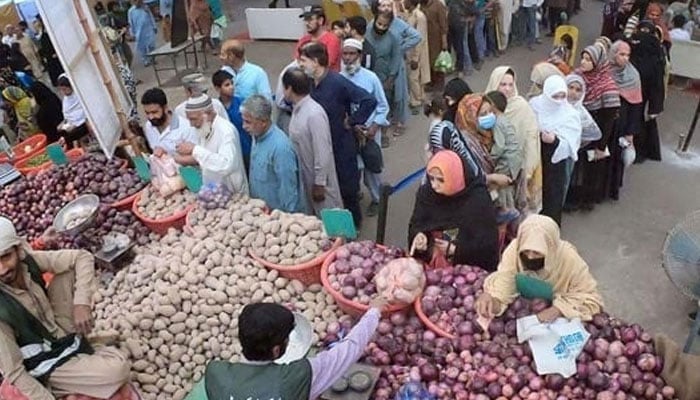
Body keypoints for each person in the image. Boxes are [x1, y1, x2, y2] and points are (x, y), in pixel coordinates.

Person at [0, 217, 134, 399]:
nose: (2, 269)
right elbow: (14, 372)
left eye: (6, 257)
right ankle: (62, 381)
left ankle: (79, 351)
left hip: (57, 332)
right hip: (44, 362)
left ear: (19, 250)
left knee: (68, 271)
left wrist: (81, 303)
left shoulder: (28, 262)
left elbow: (82, 257)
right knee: (118, 370)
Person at [184, 299, 386, 400]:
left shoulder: (215, 372)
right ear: (276, 350)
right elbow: (348, 350)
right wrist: (374, 311)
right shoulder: (296, 377)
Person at [298, 42, 377, 227]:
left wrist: (352, 121)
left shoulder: (337, 82)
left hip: (341, 145)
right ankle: (334, 227)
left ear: (316, 61)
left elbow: (368, 100)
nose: (300, 65)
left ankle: (353, 225)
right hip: (320, 147)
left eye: (303, 60)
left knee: (346, 188)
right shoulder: (309, 83)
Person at [475, 214, 604, 322]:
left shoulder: (569, 259)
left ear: (550, 249)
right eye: (526, 251)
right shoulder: (514, 251)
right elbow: (504, 286)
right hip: (524, 310)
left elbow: (590, 299)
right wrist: (492, 301)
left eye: (537, 253)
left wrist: (557, 310)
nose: (530, 257)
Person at [408, 150, 499, 271]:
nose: (434, 185)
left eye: (441, 180)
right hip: (432, 266)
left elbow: (487, 244)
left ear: (455, 177)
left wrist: (457, 251)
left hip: (469, 272)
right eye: (431, 179)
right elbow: (417, 223)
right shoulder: (427, 194)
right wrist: (419, 236)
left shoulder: (477, 200)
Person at [282, 67, 343, 216]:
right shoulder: (298, 110)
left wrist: (319, 183)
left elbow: (322, 151)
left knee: (332, 222)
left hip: (319, 183)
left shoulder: (314, 114)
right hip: (305, 179)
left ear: (289, 89)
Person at [340, 38, 390, 217]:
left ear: (359, 55)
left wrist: (375, 127)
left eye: (352, 54)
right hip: (349, 133)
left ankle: (378, 199)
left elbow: (383, 106)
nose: (348, 58)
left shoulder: (371, 78)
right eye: (345, 54)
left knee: (371, 171)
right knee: (352, 169)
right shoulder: (339, 78)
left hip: (369, 132)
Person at [485, 66, 542, 215]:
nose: (507, 89)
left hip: (515, 170)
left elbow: (531, 138)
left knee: (511, 208)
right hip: (490, 168)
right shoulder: (484, 106)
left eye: (510, 84)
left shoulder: (522, 107)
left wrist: (528, 170)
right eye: (502, 84)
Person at [572, 44, 620, 209]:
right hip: (575, 129)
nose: (583, 62)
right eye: (583, 58)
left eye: (588, 59)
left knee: (589, 169)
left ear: (598, 62)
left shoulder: (608, 87)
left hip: (595, 134)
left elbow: (608, 121)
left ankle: (586, 199)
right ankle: (571, 198)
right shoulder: (577, 77)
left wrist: (601, 146)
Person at [529, 75, 581, 225]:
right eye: (555, 96)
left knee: (552, 199)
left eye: (562, 96)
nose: (558, 100)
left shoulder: (570, 114)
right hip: (536, 159)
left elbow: (572, 142)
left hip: (555, 164)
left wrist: (555, 140)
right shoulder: (535, 105)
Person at [242, 95, 303, 213]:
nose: (244, 126)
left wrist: (287, 220)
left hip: (276, 217)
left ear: (263, 121)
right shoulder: (256, 136)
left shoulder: (280, 148)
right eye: (243, 121)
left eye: (248, 122)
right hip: (260, 212)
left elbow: (288, 191)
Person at [177, 94, 248, 194]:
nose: (191, 124)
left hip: (232, 191)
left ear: (208, 114)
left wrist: (195, 150)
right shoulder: (205, 127)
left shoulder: (226, 131)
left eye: (193, 119)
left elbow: (226, 165)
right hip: (214, 191)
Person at [373, 0, 421, 135]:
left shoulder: (398, 23)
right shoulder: (373, 24)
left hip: (397, 63)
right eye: (383, 5)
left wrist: (400, 48)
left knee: (399, 95)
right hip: (380, 65)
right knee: (383, 94)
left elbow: (416, 36)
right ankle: (386, 121)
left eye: (389, 5)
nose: (386, 8)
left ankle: (401, 122)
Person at [608, 40, 643, 199]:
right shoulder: (605, 72)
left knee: (616, 158)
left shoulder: (633, 76)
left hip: (621, 125)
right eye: (621, 54)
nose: (625, 58)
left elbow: (636, 107)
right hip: (605, 123)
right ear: (613, 54)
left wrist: (630, 133)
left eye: (628, 55)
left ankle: (612, 190)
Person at [481, 91, 524, 220]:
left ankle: (505, 211)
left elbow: (499, 147)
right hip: (515, 160)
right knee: (507, 188)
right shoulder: (505, 120)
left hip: (507, 161)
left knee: (499, 187)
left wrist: (489, 158)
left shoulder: (497, 122)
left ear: (492, 106)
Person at [629, 20, 665, 162]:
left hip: (642, 96)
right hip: (632, 95)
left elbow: (657, 83)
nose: (642, 35)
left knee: (638, 124)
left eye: (646, 31)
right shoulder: (633, 48)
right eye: (641, 30)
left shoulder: (654, 54)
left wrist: (654, 108)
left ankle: (638, 152)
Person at [365, 12, 401, 145]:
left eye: (385, 26)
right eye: (379, 24)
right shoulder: (367, 33)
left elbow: (396, 58)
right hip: (369, 74)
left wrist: (391, 78)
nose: (381, 27)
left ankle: (384, 133)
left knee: (384, 104)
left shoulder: (393, 38)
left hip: (384, 76)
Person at [140, 87, 197, 158]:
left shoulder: (186, 128)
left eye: (154, 112)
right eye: (147, 113)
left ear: (165, 108)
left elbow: (195, 157)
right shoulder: (149, 125)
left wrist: (168, 155)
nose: (151, 117)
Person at [212, 70, 251, 172]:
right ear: (217, 88)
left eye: (232, 83)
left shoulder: (242, 103)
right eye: (227, 85)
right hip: (228, 152)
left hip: (246, 149)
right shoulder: (216, 108)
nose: (231, 87)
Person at [295, 6, 342, 72]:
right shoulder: (303, 40)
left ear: (320, 21)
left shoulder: (332, 40)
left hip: (327, 78)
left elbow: (327, 64)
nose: (306, 23)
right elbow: (297, 60)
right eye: (305, 20)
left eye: (310, 20)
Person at [404, 0, 430, 113]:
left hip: (417, 51)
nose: (403, 2)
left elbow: (419, 38)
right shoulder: (409, 14)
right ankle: (420, 97)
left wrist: (415, 57)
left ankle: (417, 101)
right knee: (416, 77)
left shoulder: (419, 17)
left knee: (413, 78)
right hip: (410, 51)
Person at [419, 0, 448, 88]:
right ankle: (431, 82)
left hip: (436, 39)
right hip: (425, 38)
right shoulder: (421, 5)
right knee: (428, 60)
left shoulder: (438, 5)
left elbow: (443, 25)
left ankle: (439, 85)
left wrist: (444, 41)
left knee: (437, 61)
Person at [56, 75, 90, 149]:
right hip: (73, 127)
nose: (63, 92)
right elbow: (67, 115)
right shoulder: (66, 99)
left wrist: (75, 124)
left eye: (65, 89)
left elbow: (83, 114)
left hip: (85, 126)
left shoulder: (79, 96)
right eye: (61, 90)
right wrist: (63, 123)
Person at [34, 18, 64, 86]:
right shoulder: (40, 33)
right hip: (47, 54)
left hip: (52, 53)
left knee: (56, 67)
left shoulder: (46, 33)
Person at [127, 0, 157, 67]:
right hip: (139, 32)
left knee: (152, 45)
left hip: (149, 29)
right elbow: (130, 23)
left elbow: (151, 16)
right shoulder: (131, 11)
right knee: (142, 47)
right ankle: (145, 60)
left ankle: (153, 58)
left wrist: (154, 26)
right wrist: (132, 33)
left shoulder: (145, 7)